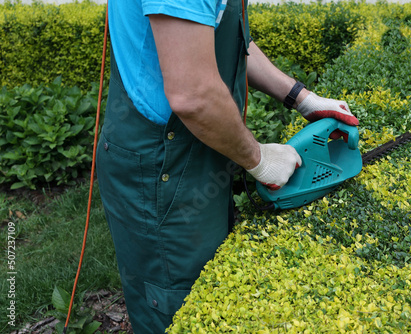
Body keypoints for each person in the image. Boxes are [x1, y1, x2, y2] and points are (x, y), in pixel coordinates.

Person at [96, 0, 359, 332]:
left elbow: (222, 36)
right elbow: (193, 96)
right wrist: (259, 159)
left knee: (211, 287)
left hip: (195, 145)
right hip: (161, 164)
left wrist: (299, 97)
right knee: (179, 305)